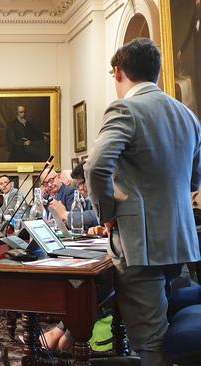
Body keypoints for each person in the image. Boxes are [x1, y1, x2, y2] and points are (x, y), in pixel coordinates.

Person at [86, 38, 201, 365]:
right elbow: (195, 178)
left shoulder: (125, 108)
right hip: (179, 241)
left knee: (149, 341)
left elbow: (96, 166)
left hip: (141, 245)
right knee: (160, 331)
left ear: (118, 71)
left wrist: (107, 215)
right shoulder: (187, 115)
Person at [50, 162, 99, 229]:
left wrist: (65, 214)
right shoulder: (87, 200)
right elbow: (84, 225)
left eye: (82, 183)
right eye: (78, 184)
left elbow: (97, 216)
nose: (81, 188)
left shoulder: (104, 195)